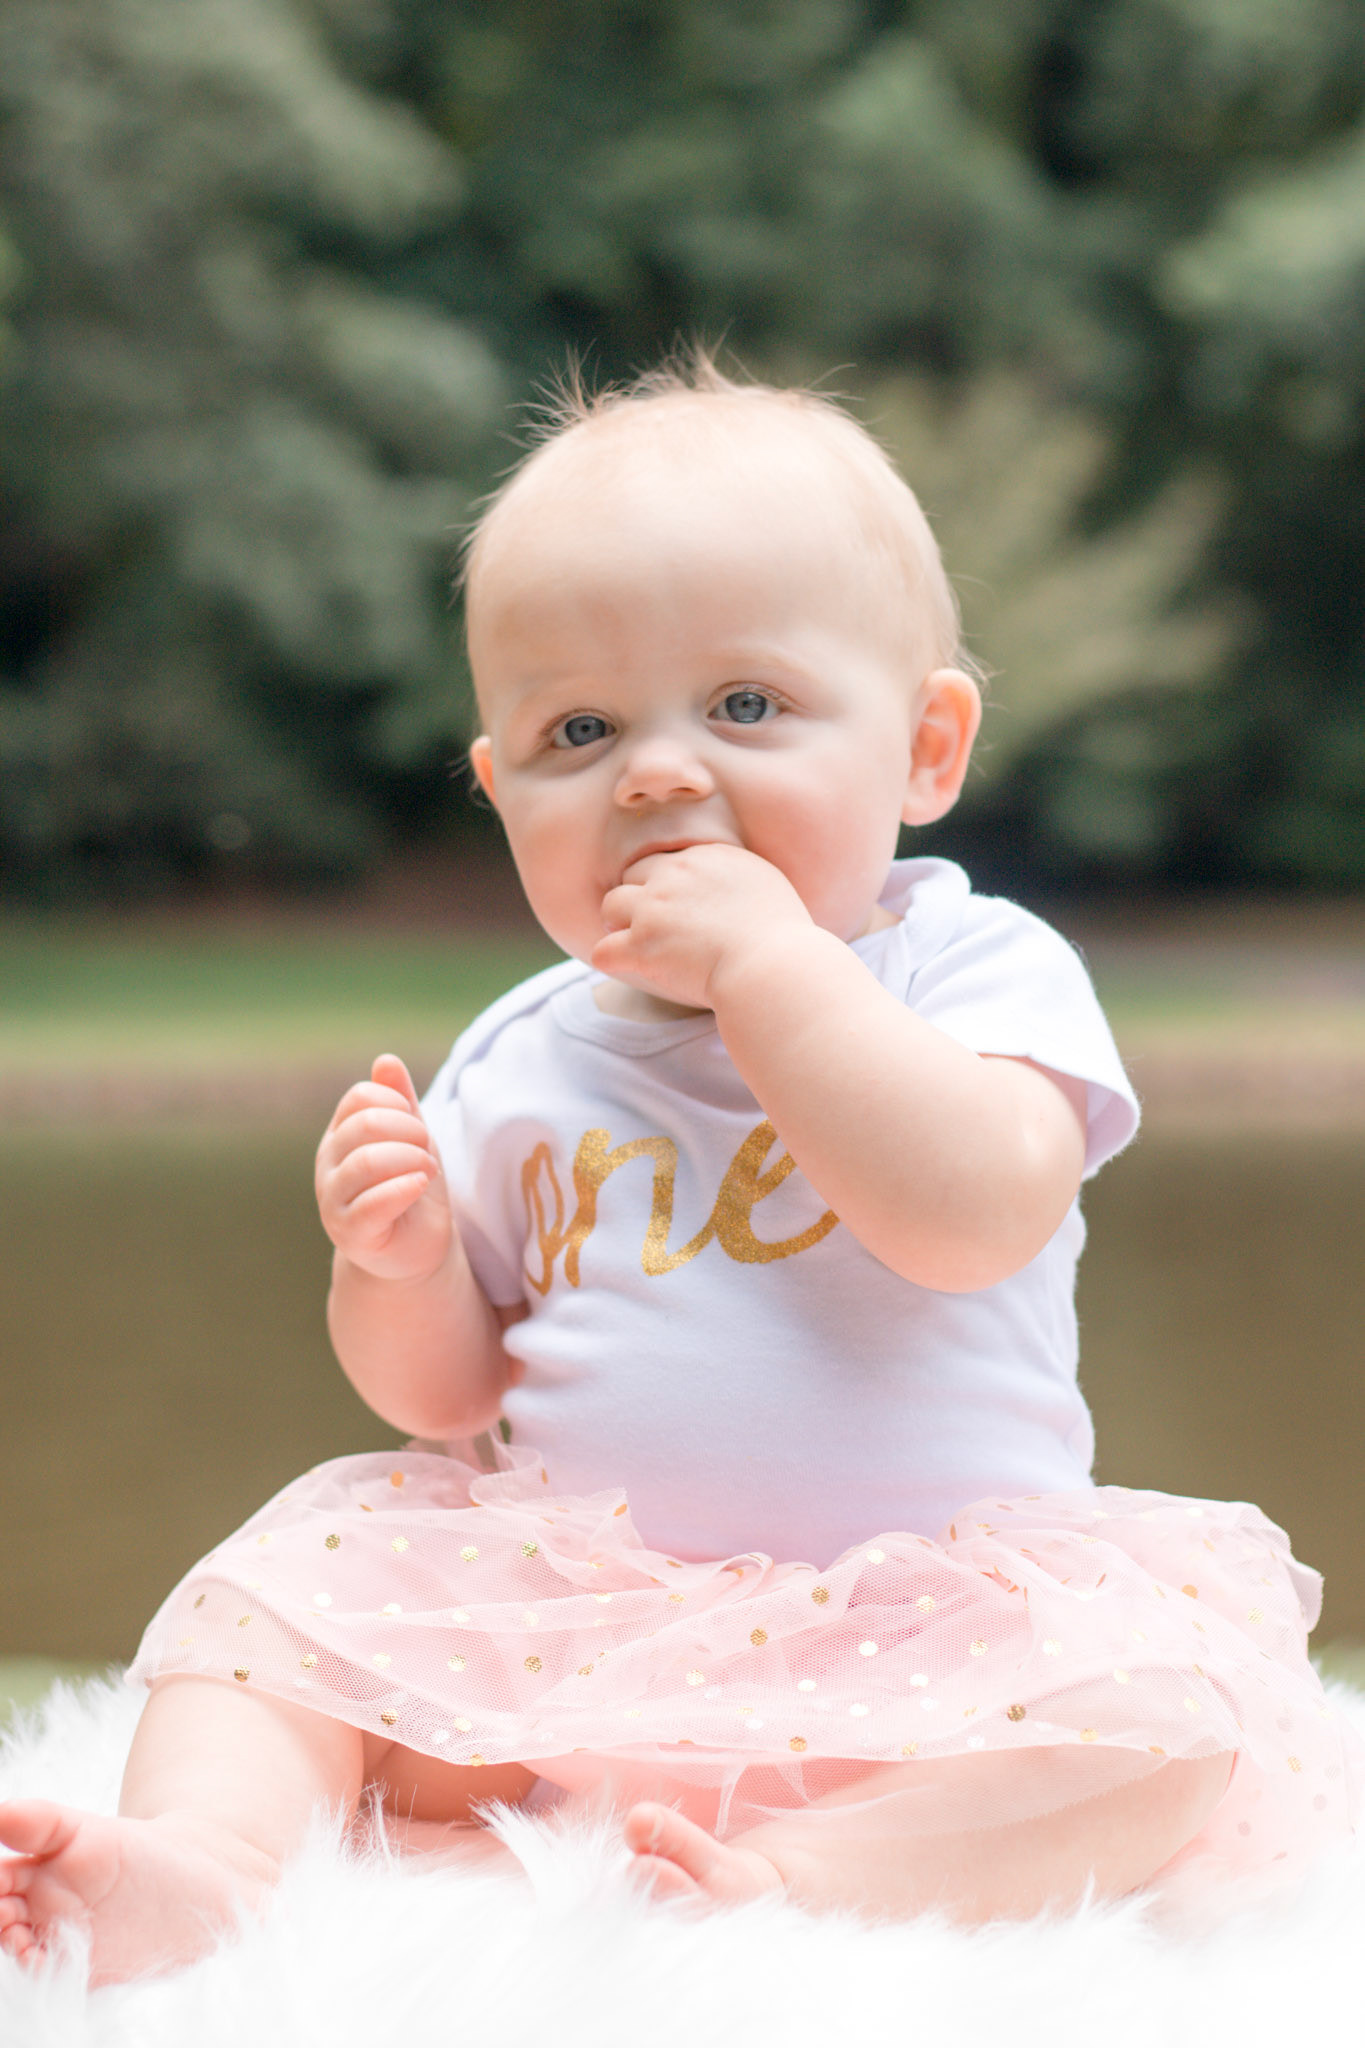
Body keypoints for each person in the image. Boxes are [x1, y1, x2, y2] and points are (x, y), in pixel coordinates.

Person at [1, 358, 1358, 1983]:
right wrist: (397, 1262)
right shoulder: (520, 1053)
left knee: (1153, 1729)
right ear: (501, 792)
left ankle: (799, 1872)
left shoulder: (970, 971)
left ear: (924, 749)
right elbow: (442, 1395)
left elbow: (974, 1218)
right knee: (278, 1598)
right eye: (578, 731)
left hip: (929, 1650)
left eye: (745, 708)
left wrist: (770, 969)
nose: (655, 774)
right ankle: (208, 1865)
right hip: (578, 1635)